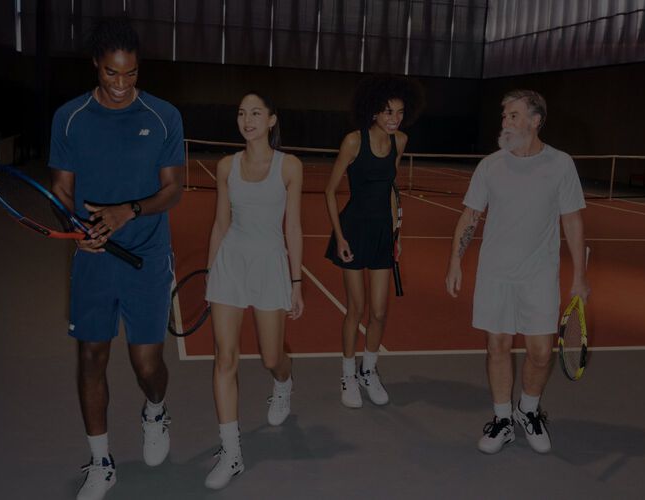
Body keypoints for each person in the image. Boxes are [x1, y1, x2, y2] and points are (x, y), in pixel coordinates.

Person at [47, 18, 185, 499]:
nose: (122, 85)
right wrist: (75, 228)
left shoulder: (164, 115)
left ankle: (155, 410)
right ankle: (101, 460)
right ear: (96, 67)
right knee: (91, 356)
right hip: (94, 257)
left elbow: (173, 189)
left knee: (147, 363)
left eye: (130, 74)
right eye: (112, 74)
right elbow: (62, 189)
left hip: (147, 256)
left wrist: (130, 210)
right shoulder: (70, 117)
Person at [445, 90, 587, 455]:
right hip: (495, 274)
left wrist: (579, 277)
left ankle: (528, 409)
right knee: (498, 345)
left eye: (513, 115)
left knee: (541, 352)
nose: (505, 122)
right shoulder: (490, 165)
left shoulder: (560, 164)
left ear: (535, 120)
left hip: (540, 275)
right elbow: (470, 215)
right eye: (504, 116)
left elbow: (571, 220)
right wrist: (455, 261)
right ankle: (503, 420)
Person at [200, 91, 306, 490]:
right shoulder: (226, 166)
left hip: (269, 266)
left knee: (270, 356)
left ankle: (283, 381)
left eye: (256, 112)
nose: (248, 119)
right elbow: (219, 223)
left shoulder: (290, 167)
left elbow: (293, 227)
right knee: (224, 358)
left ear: (272, 120)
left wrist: (296, 282)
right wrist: (211, 273)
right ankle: (231, 451)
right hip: (230, 263)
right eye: (242, 113)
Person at [322, 75, 422, 408]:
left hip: (382, 233)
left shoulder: (401, 141)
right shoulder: (353, 141)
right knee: (357, 308)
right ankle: (347, 375)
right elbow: (329, 190)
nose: (395, 118)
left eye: (400, 112)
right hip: (353, 230)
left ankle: (369, 370)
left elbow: (390, 188)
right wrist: (339, 237)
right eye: (388, 112)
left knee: (379, 312)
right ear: (374, 113)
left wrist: (397, 233)